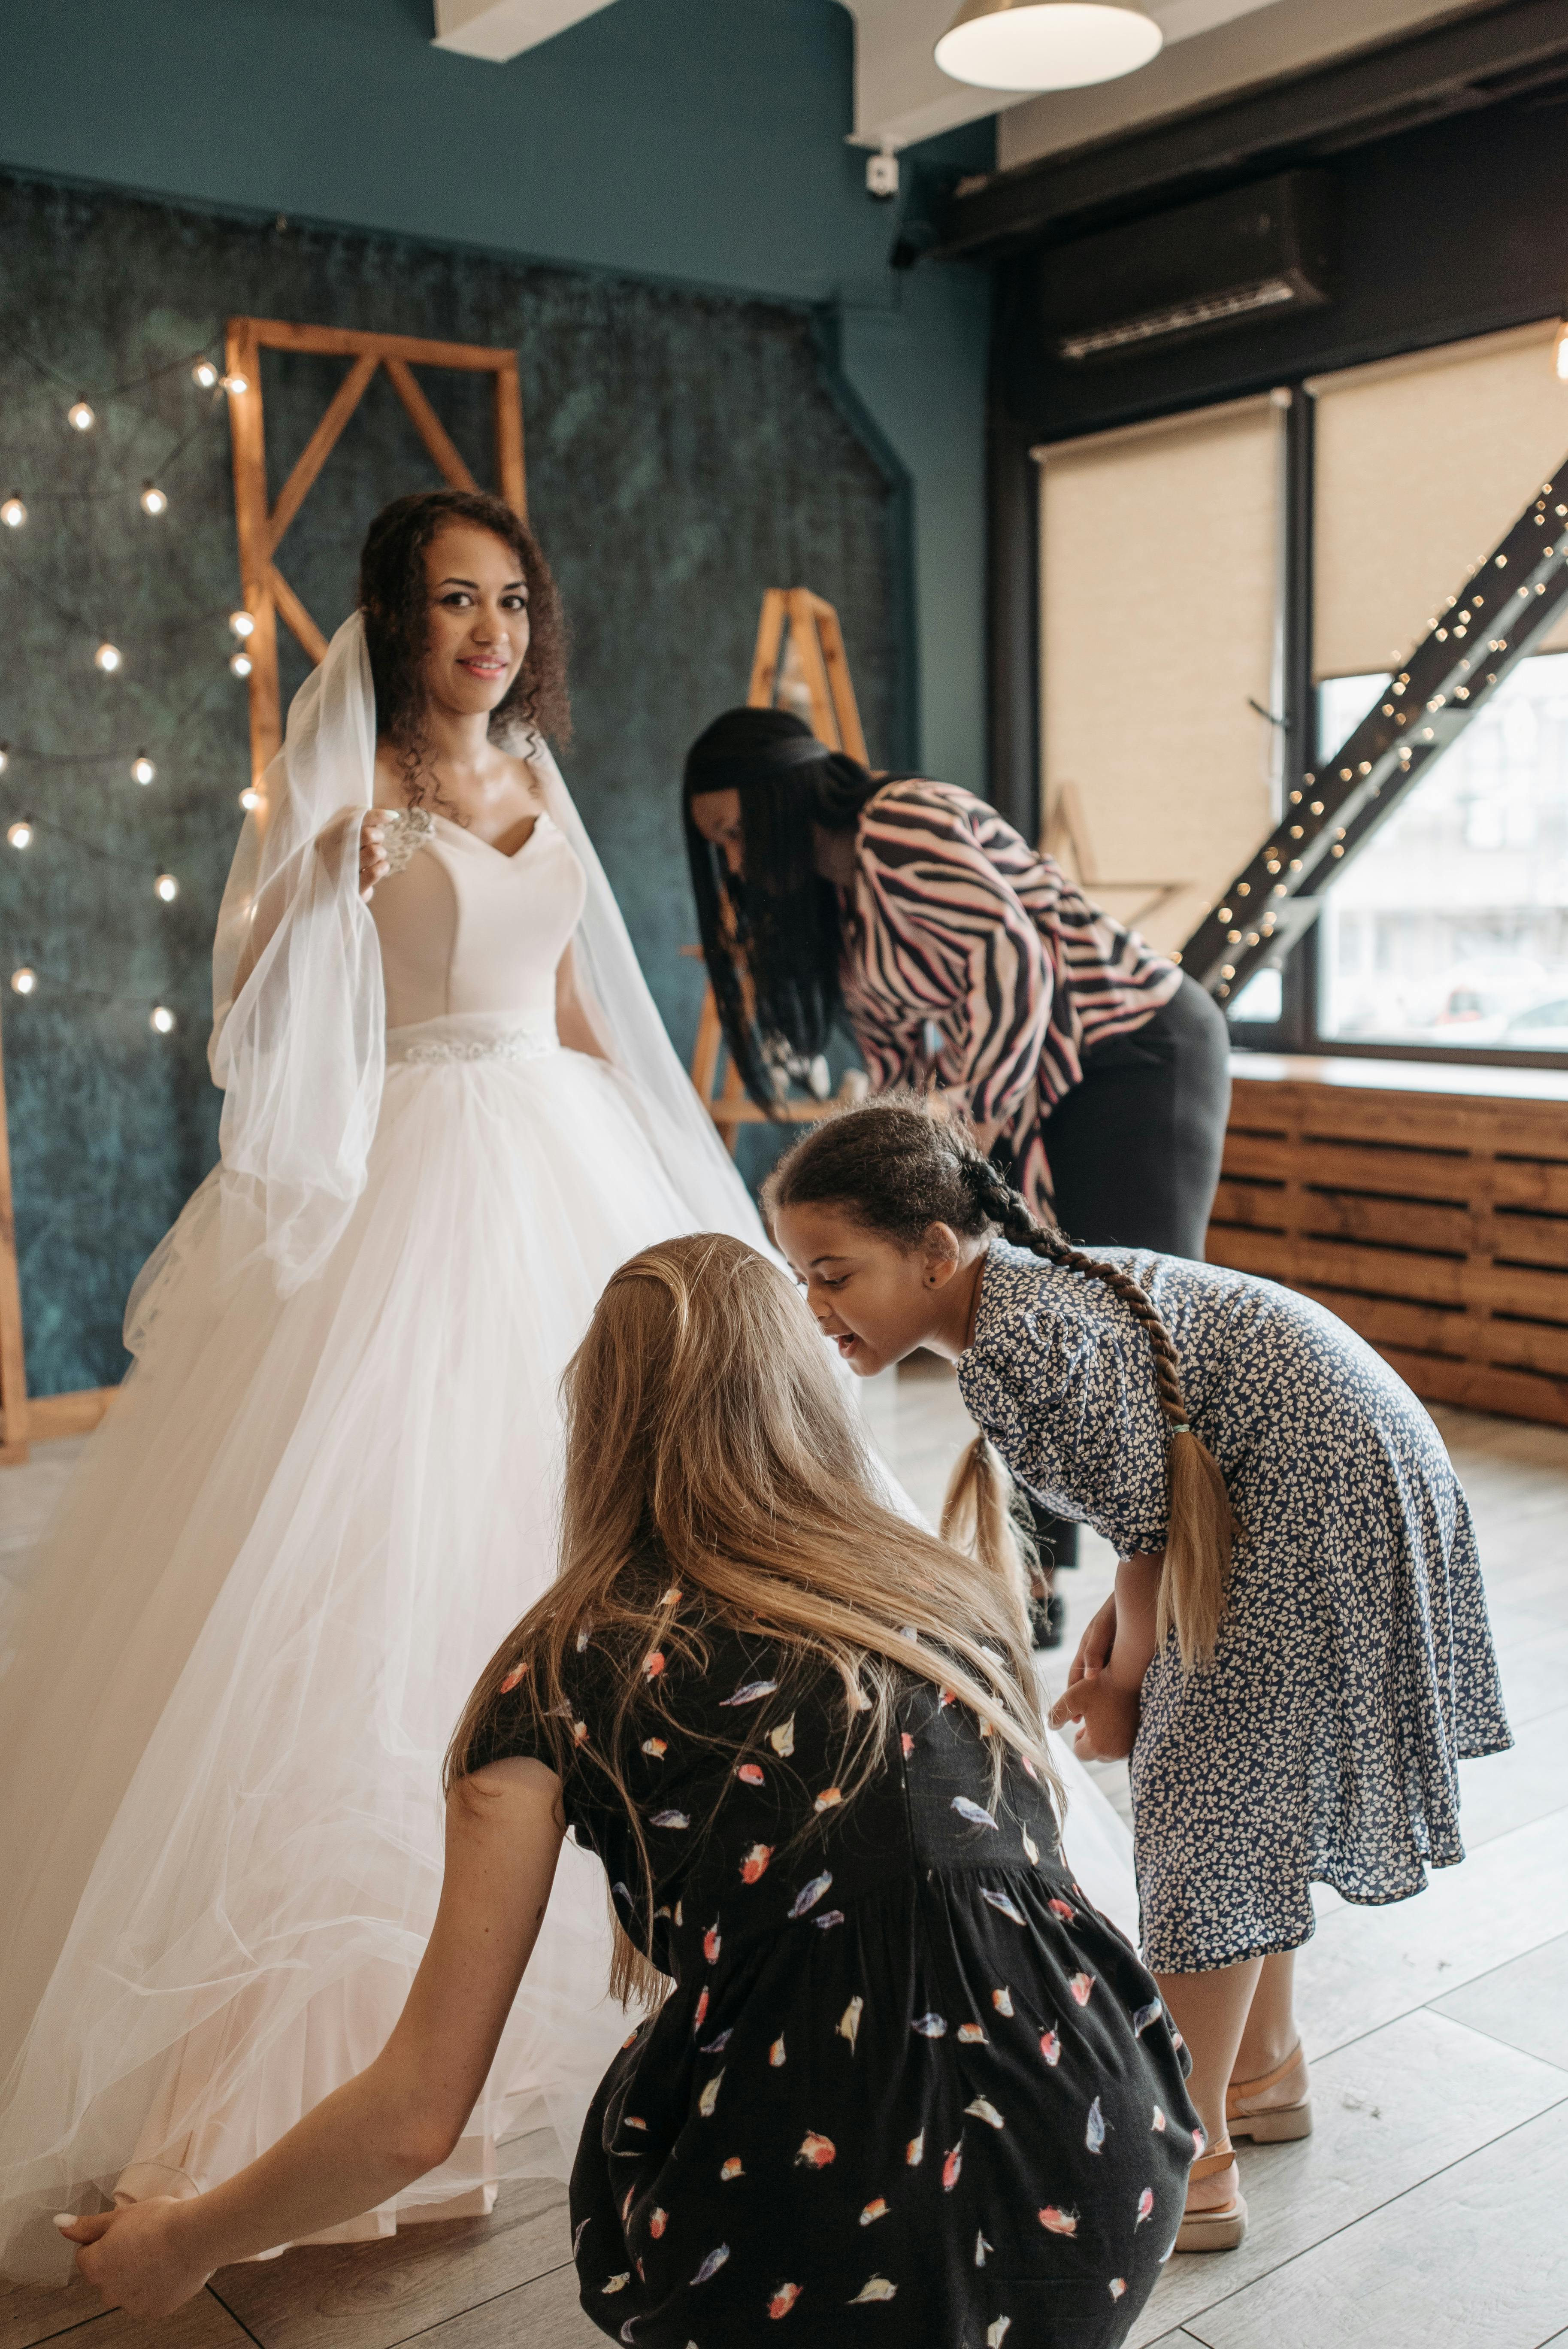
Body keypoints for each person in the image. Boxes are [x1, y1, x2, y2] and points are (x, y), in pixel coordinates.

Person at [0, 490, 783, 2283]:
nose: (490, 631)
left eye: (511, 600)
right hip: (417, 1167)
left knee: (589, 1515)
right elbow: (248, 1000)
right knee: (374, 1556)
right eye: (454, 601)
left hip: (561, 1150)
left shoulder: (537, 780)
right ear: (394, 616)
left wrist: (676, 1186)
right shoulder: (346, 796)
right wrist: (308, 901)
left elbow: (590, 1009)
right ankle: (317, 2065)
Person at [55, 1232, 1199, 2347]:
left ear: (600, 1421)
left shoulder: (559, 1671)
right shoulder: (947, 1591)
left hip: (827, 2242)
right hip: (1108, 2168)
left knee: (658, 2117)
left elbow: (414, 2117)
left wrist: (183, 2240)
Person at [763, 1096, 1513, 2255]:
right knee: (1234, 1792)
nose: (814, 1308)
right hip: (1323, 1477)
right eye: (800, 1280)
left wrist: (1119, 1681)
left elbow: (1149, 1528)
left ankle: (1193, 2156)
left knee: (1201, 1812)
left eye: (832, 1273)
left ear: (930, 1251)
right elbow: (1146, 1522)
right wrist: (1115, 1664)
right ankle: (1260, 2071)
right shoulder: (1014, 1306)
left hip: (1313, 1496)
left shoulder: (1017, 1339)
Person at [682, 706, 1234, 1610]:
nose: (736, 862)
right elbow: (900, 1071)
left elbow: (1013, 968)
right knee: (1022, 1319)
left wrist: (969, 1135)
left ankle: (1193, 1569)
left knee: (1136, 1316)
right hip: (1037, 1085)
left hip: (1132, 1051)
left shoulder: (903, 823)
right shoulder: (849, 914)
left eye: (739, 831)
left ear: (784, 797)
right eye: (721, 846)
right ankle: (1040, 1576)